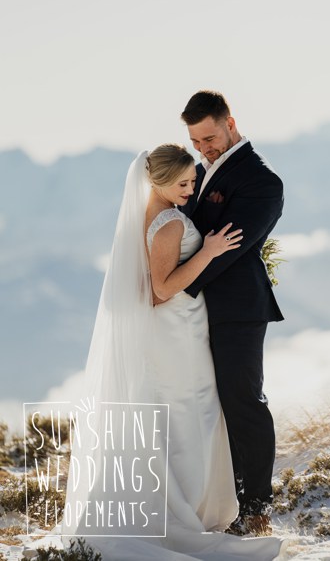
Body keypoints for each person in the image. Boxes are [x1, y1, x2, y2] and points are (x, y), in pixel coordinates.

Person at [60, 144, 281, 560]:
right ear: (158, 182)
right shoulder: (167, 223)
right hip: (176, 333)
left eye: (193, 181)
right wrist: (211, 252)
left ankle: (190, 505)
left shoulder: (155, 215)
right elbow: (161, 289)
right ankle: (188, 511)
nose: (190, 188)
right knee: (191, 412)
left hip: (180, 330)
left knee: (187, 412)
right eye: (183, 183)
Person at [180, 91, 285, 535]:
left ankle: (257, 508)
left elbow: (227, 250)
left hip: (238, 310)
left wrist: (174, 284)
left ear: (230, 123)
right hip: (196, 312)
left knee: (243, 404)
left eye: (209, 138)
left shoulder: (262, 182)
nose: (204, 148)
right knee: (209, 405)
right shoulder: (198, 173)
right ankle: (216, 501)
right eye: (195, 142)